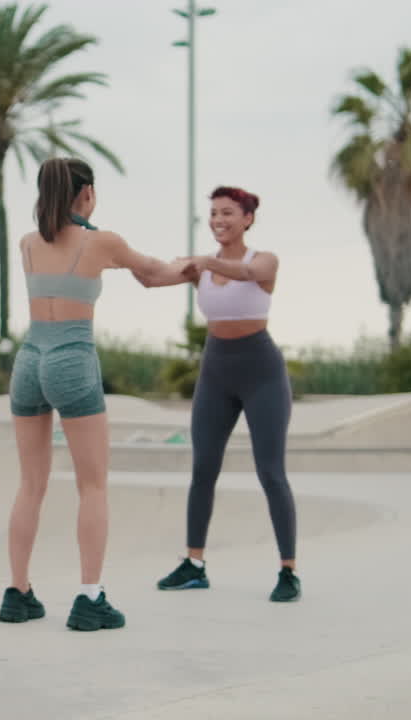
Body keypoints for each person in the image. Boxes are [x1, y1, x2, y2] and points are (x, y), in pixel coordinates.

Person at [0, 157, 189, 631]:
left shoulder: (26, 243)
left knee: (30, 484)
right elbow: (153, 274)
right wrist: (197, 268)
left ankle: (18, 593)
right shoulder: (101, 241)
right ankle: (90, 597)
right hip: (72, 359)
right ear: (86, 194)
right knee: (93, 485)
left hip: (28, 361)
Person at [133, 185, 301, 603]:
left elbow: (251, 275)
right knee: (203, 468)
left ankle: (288, 571)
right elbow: (153, 279)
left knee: (271, 471)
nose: (218, 220)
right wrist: (116, 256)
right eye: (213, 213)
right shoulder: (200, 268)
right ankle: (194, 564)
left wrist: (202, 261)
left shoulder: (263, 260)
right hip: (215, 373)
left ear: (248, 219)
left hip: (262, 373)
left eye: (227, 213)